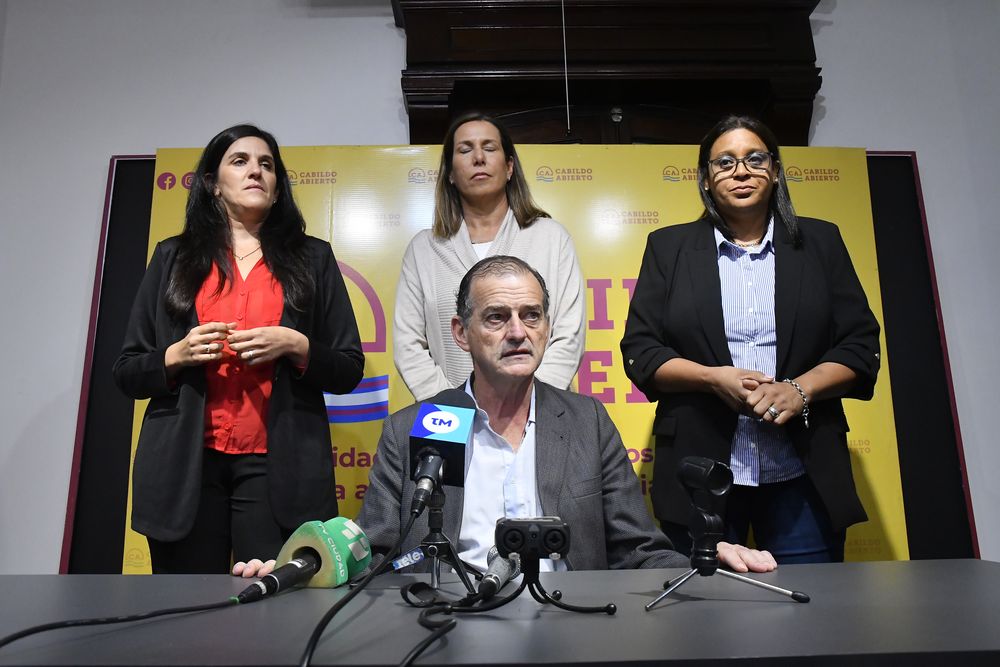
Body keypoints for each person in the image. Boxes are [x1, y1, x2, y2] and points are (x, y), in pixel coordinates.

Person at [356, 255, 774, 574]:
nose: (518, 332)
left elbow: (638, 549)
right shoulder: (413, 428)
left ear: (547, 327)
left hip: (568, 623)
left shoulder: (586, 422)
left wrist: (703, 563)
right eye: (497, 317)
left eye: (531, 315)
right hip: (447, 629)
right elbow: (376, 555)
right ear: (461, 334)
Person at [620, 115, 881, 563]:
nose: (741, 171)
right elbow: (641, 352)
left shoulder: (821, 241)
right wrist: (710, 378)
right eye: (724, 162)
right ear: (705, 178)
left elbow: (860, 345)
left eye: (754, 159)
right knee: (705, 619)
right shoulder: (669, 248)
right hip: (702, 473)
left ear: (775, 170)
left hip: (803, 471)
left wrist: (801, 389)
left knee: (815, 615)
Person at [114, 124, 365, 574]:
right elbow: (128, 371)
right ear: (212, 183)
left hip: (278, 468)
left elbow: (348, 369)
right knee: (185, 616)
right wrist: (178, 354)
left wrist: (297, 344)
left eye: (266, 164)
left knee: (274, 616)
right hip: (185, 467)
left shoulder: (314, 258)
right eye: (240, 161)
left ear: (278, 184)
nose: (256, 172)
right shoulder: (172, 257)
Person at [393, 112, 585, 401]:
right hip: (453, 418)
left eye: (490, 148)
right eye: (465, 149)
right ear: (450, 173)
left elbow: (568, 335)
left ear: (509, 167)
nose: (478, 158)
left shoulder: (550, 237)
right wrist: (453, 406)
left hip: (539, 412)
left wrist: (531, 403)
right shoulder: (423, 249)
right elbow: (409, 344)